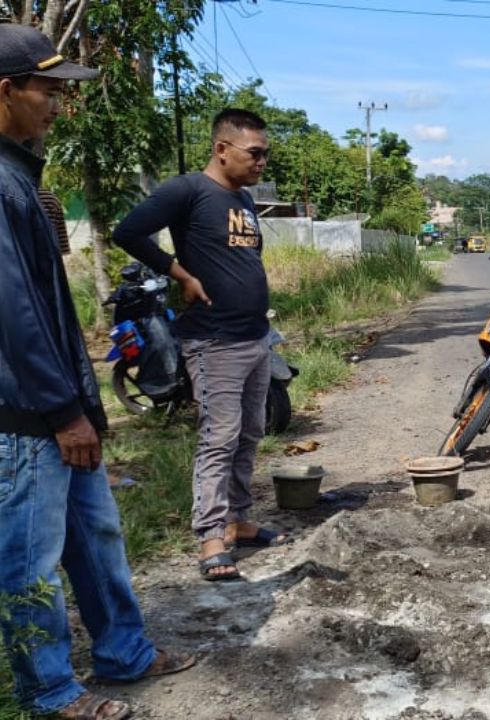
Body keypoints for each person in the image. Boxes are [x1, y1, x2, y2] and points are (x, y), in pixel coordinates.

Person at [0, 24, 195, 719]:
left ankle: (125, 654)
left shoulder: (19, 178)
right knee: (29, 565)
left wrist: (87, 404)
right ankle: (50, 694)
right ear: (6, 92)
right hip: (26, 419)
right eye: (48, 92)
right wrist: (63, 410)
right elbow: (13, 314)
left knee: (98, 539)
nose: (59, 107)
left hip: (58, 409)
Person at [113, 108, 288, 582]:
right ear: (222, 149)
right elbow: (127, 232)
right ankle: (211, 536)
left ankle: (237, 520)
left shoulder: (245, 200)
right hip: (214, 340)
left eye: (265, 153)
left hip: (254, 336)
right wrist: (182, 275)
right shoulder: (187, 190)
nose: (262, 161)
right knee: (220, 437)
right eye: (255, 153)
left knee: (251, 432)